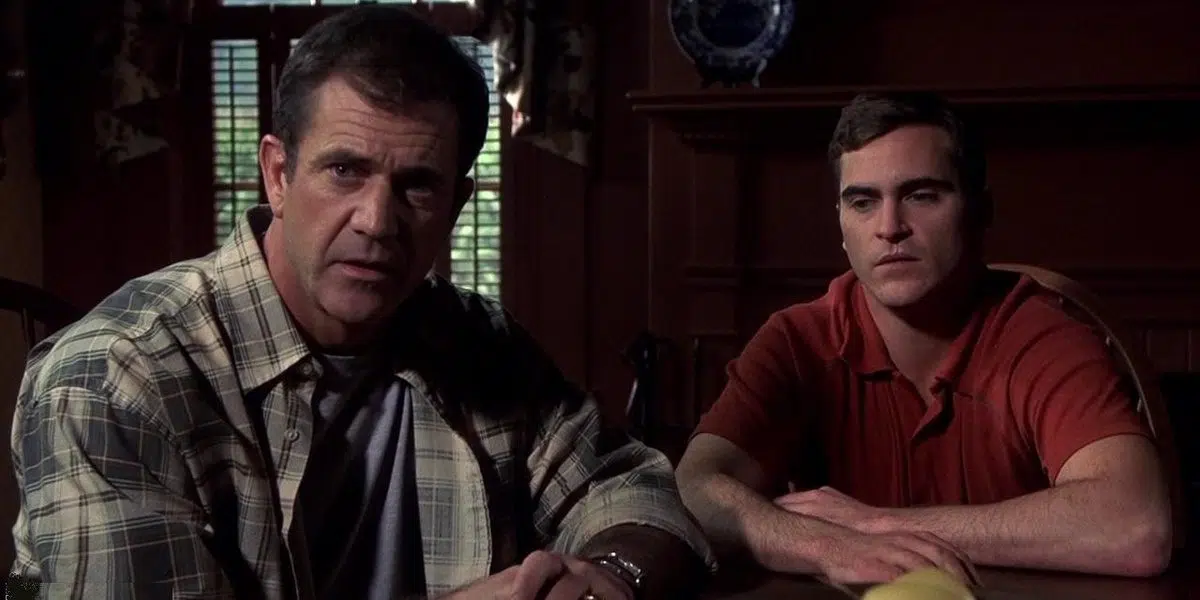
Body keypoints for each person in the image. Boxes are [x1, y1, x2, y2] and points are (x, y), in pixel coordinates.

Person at [8, 6, 713, 599]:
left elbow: (634, 490)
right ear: (277, 174)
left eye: (418, 185)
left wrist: (607, 577)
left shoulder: (475, 341)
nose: (377, 222)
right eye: (345, 170)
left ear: (456, 205)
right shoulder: (114, 376)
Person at [674, 92, 1173, 584]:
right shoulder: (798, 339)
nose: (890, 227)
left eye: (921, 196)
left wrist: (874, 524)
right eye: (863, 202)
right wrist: (826, 545)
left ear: (979, 211)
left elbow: (1136, 524)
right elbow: (692, 489)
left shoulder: (1041, 335)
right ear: (842, 227)